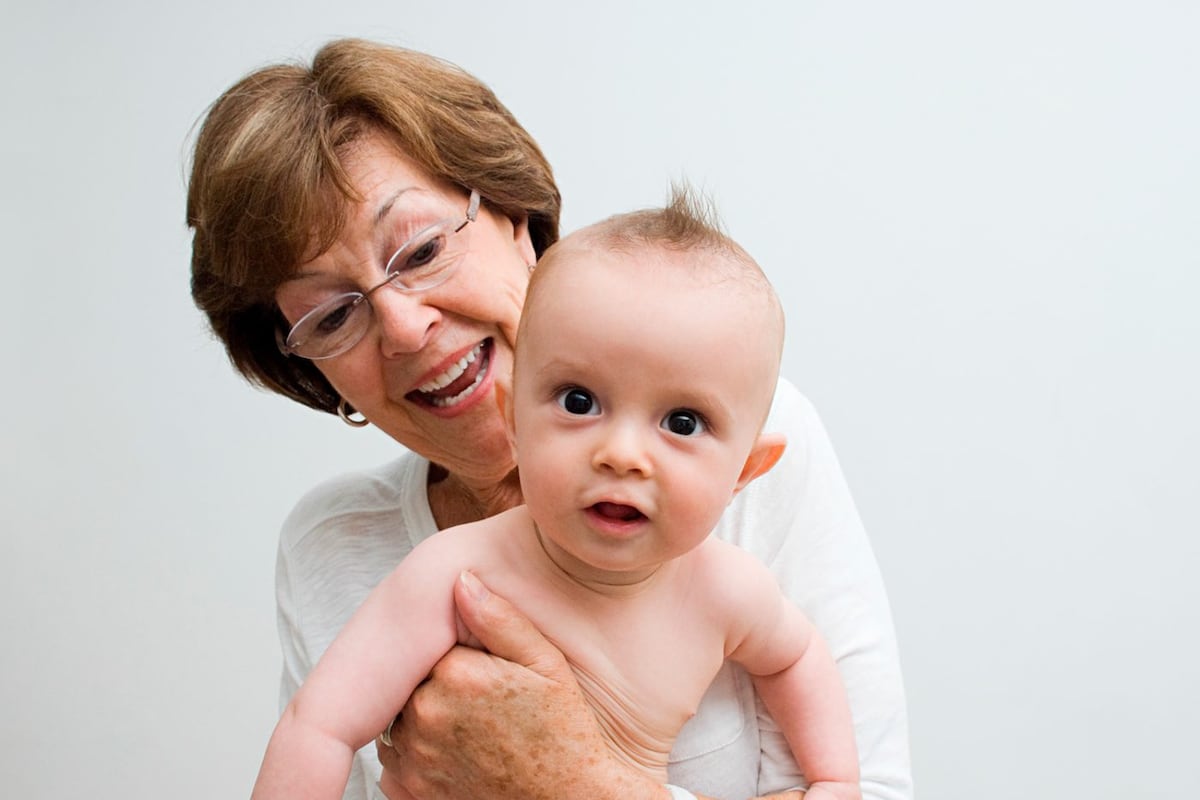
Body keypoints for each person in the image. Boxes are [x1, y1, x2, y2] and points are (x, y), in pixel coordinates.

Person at [188, 37, 911, 800]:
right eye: (333, 316)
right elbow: (317, 731)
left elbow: (840, 740)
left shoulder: (740, 482)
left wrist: (573, 782)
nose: (403, 328)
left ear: (515, 217)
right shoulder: (353, 551)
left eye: (423, 248)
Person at [250, 192, 862, 800]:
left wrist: (835, 779)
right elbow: (320, 727)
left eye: (681, 423)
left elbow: (797, 658)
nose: (622, 453)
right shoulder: (458, 576)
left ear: (745, 472)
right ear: (513, 421)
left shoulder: (726, 591)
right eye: (579, 402)